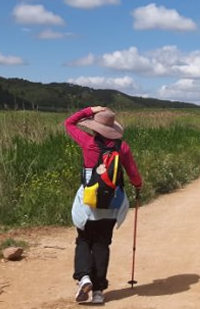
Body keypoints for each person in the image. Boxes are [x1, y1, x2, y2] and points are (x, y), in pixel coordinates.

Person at [65, 106, 142, 304]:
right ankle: (98, 292)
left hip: (88, 203)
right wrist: (138, 185)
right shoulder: (122, 147)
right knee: (102, 244)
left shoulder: (89, 143)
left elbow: (69, 123)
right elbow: (133, 173)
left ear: (95, 127)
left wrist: (90, 109)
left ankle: (84, 277)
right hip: (112, 203)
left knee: (83, 240)